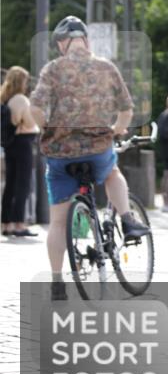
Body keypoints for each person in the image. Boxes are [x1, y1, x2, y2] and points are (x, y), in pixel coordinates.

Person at [29, 16, 149, 299]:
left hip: (59, 156)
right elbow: (126, 109)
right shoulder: (106, 67)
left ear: (61, 44)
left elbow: (35, 107)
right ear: (86, 40)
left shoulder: (52, 70)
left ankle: (58, 283)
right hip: (97, 149)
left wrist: (47, 129)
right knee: (111, 174)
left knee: (58, 222)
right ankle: (128, 220)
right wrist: (117, 129)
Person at [1, 66, 40, 237]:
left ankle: (6, 224)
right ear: (20, 82)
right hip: (23, 142)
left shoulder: (5, 98)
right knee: (23, 184)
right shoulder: (21, 100)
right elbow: (30, 123)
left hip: (10, 144)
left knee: (10, 184)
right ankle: (19, 224)